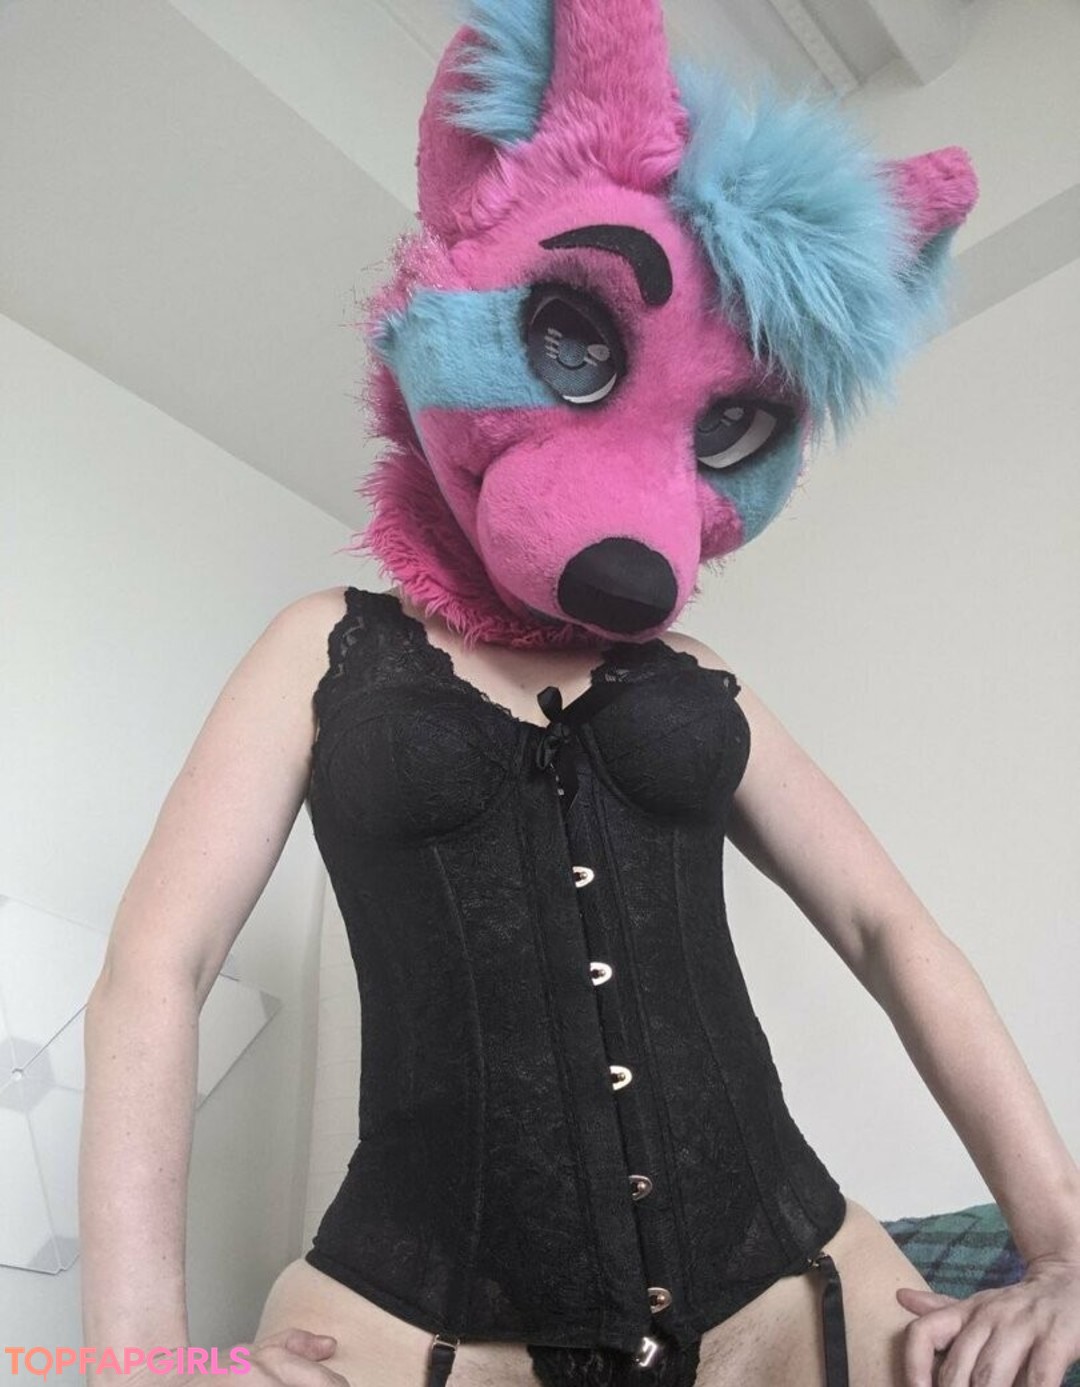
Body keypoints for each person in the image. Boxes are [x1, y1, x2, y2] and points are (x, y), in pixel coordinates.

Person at [80, 4, 1080, 1386]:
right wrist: (133, 1362)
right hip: (422, 1318)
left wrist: (1062, 1243)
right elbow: (158, 969)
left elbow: (887, 927)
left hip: (792, 1286)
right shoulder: (323, 648)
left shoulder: (698, 679)